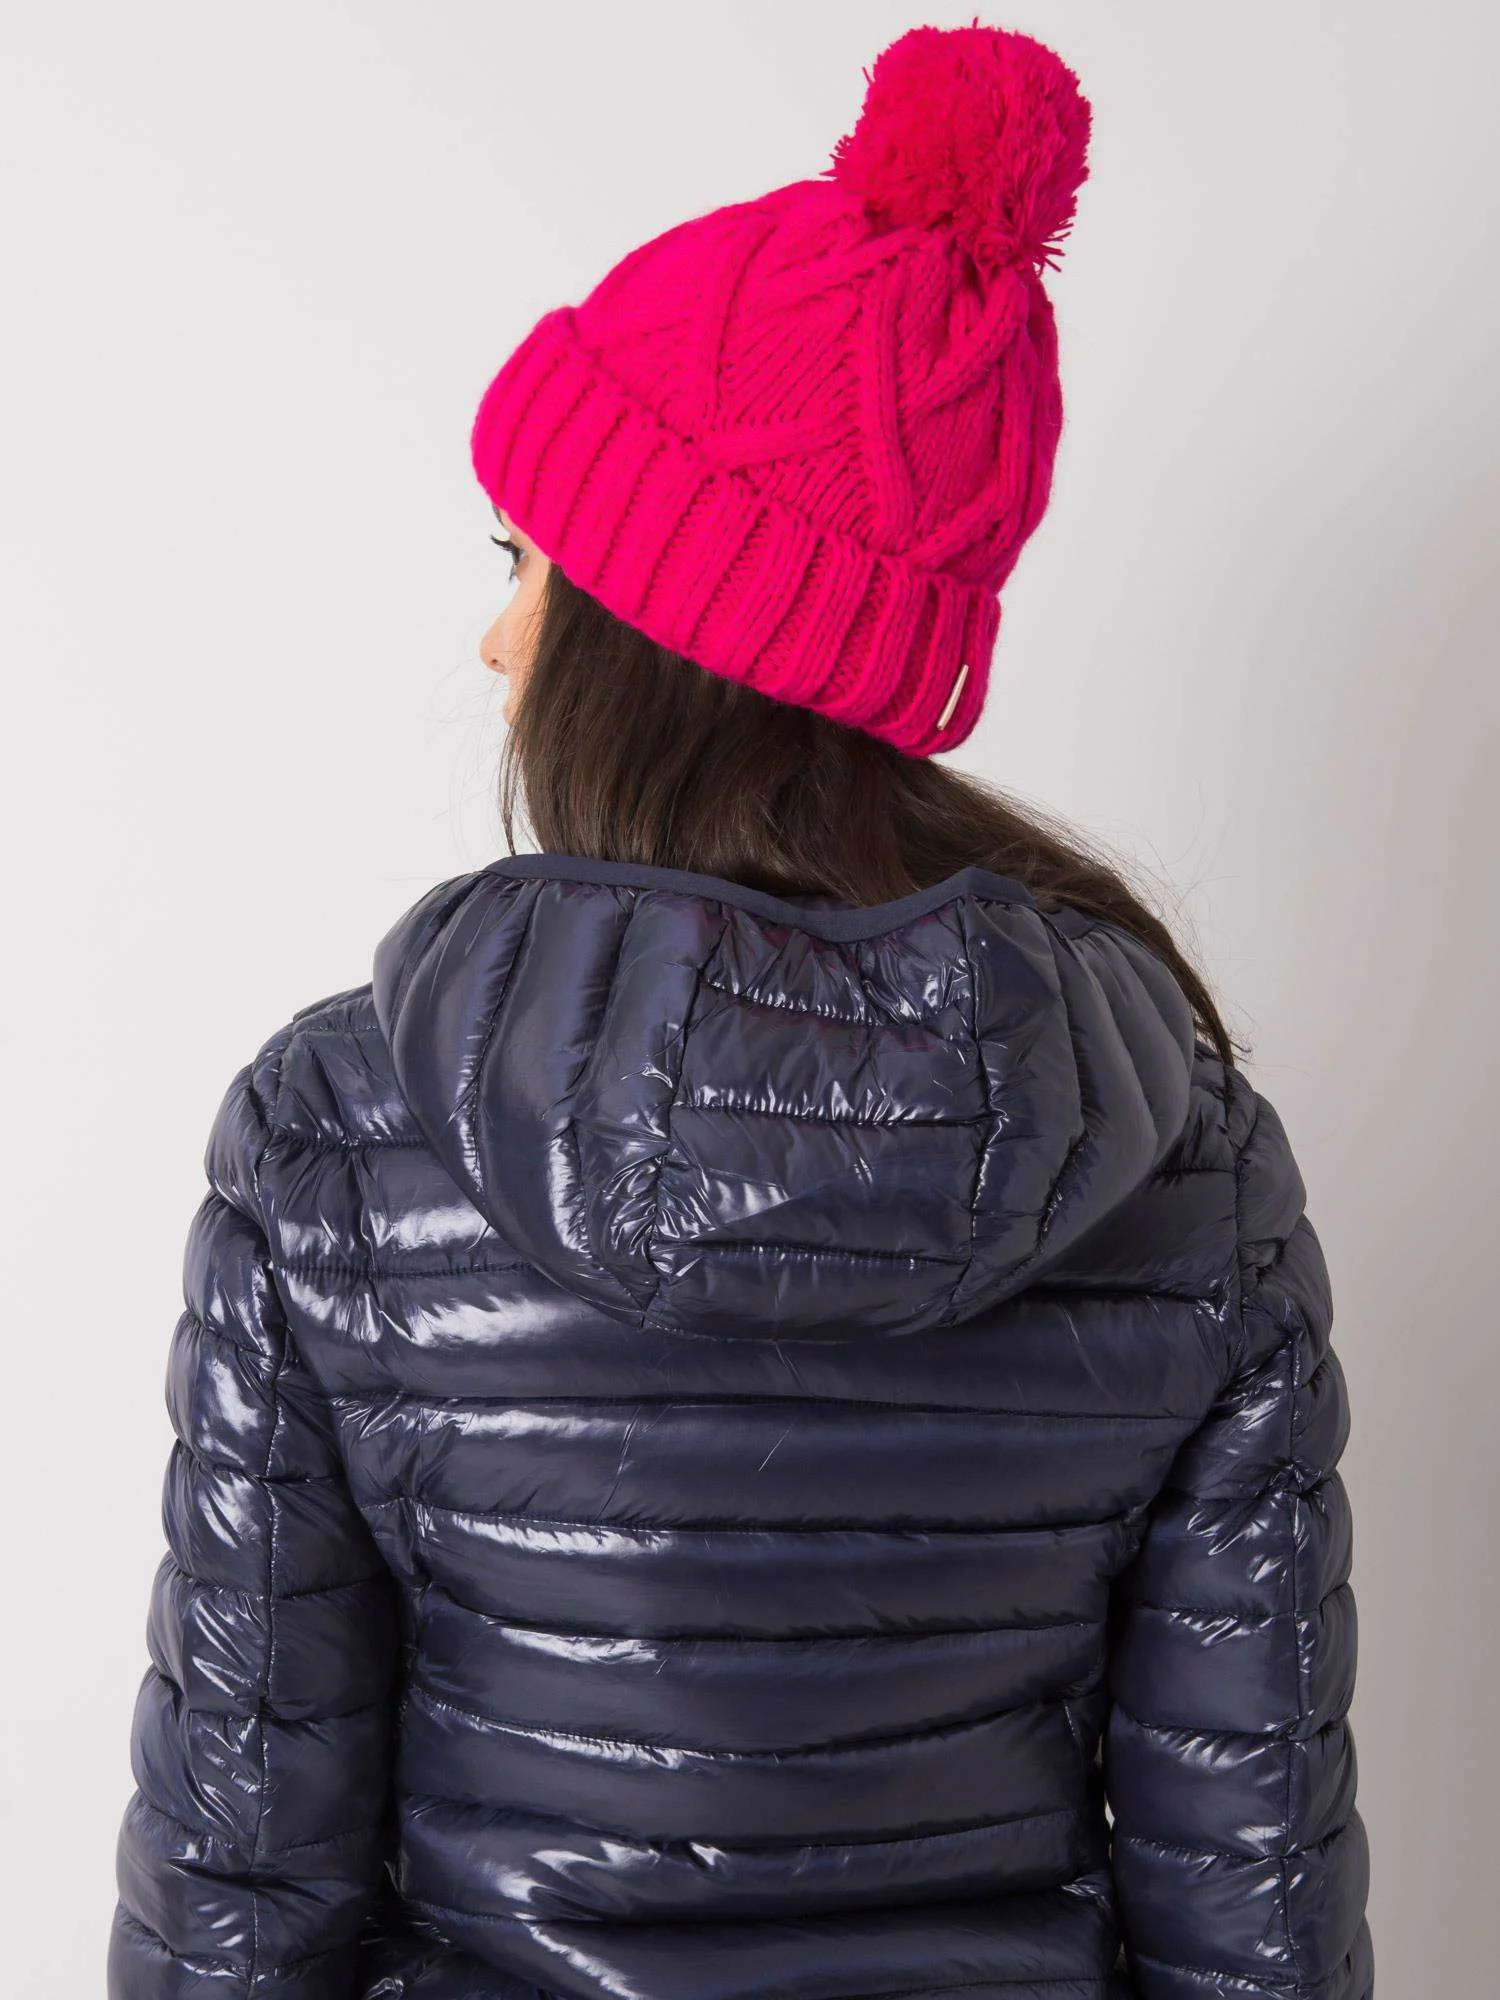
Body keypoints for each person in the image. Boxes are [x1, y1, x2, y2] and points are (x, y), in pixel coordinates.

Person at [107, 22, 1373, 2000]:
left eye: (530, 564)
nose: (497, 638)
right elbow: (1253, 1906)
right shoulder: (1185, 1161)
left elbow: (242, 1885)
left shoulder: (342, 1137)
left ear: (656, 637)